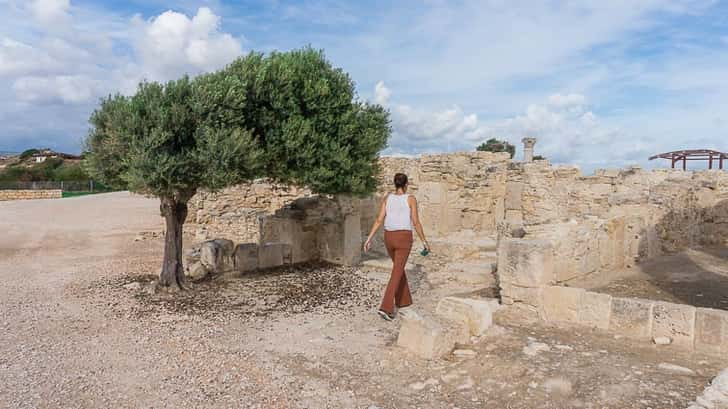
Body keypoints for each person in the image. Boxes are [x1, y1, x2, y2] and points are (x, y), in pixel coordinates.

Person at [364, 173, 430, 321]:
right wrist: (425, 241)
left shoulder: (387, 198)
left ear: (395, 184)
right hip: (403, 238)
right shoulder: (411, 199)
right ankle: (386, 308)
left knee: (398, 268)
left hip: (389, 237)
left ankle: (404, 300)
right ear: (406, 184)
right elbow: (416, 222)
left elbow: (379, 219)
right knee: (397, 271)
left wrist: (369, 238)